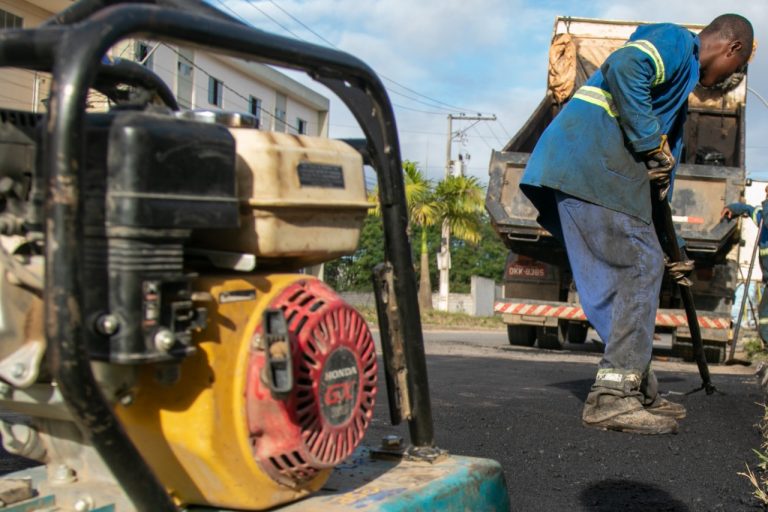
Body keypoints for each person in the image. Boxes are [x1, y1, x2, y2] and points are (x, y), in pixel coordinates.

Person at [520, 14, 754, 435]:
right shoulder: (677, 43)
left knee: (641, 265)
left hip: (595, 173)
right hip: (590, 165)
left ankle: (636, 385)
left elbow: (658, 188)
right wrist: (649, 140)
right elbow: (626, 67)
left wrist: (674, 248)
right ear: (732, 48)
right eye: (733, 72)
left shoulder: (674, 98)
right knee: (639, 266)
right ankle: (612, 398)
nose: (724, 80)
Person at [722, 186, 768, 341]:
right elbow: (749, 210)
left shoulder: (765, 217)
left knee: (765, 316)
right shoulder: (761, 216)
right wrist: (734, 208)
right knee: (764, 316)